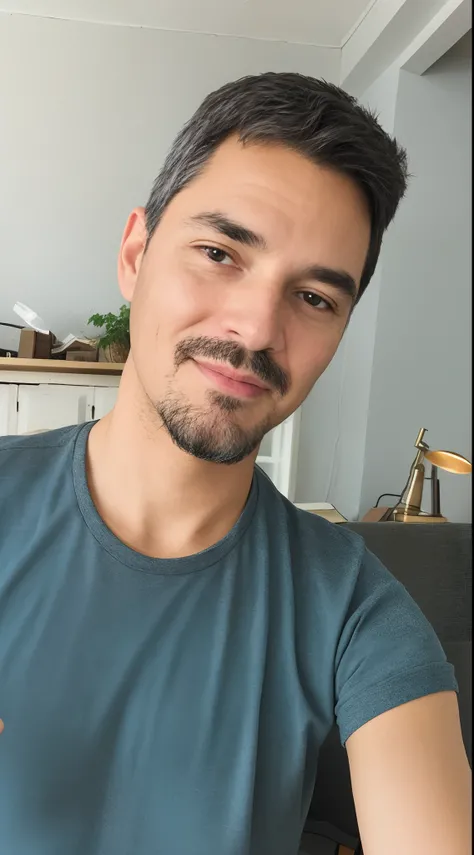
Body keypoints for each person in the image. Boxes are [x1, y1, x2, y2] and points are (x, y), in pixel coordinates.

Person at [0, 73, 470, 855]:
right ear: (135, 252)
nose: (256, 328)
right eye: (220, 252)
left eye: (315, 298)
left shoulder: (359, 611)